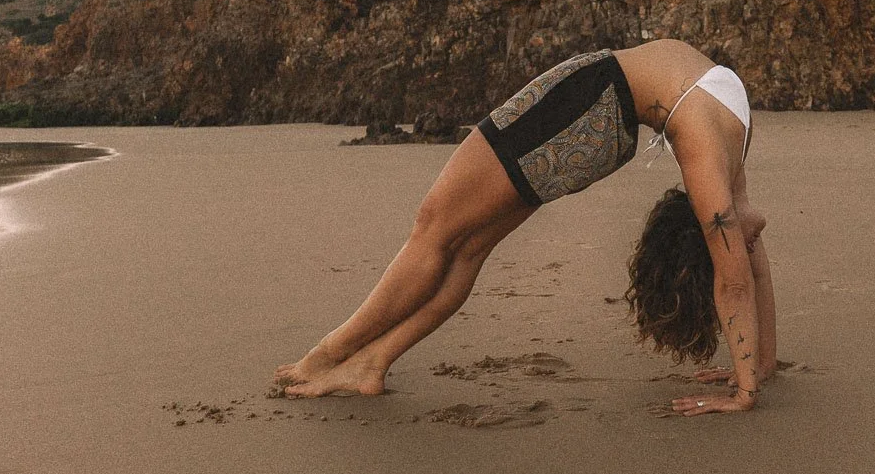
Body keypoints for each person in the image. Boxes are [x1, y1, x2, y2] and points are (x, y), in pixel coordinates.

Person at [272, 39, 775, 416]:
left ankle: (329, 355)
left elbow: (732, 281)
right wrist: (761, 365)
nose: (740, 237)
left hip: (586, 106)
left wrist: (744, 394)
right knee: (468, 247)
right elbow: (750, 255)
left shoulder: (709, 162)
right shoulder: (729, 175)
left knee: (434, 228)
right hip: (597, 118)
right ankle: (372, 363)